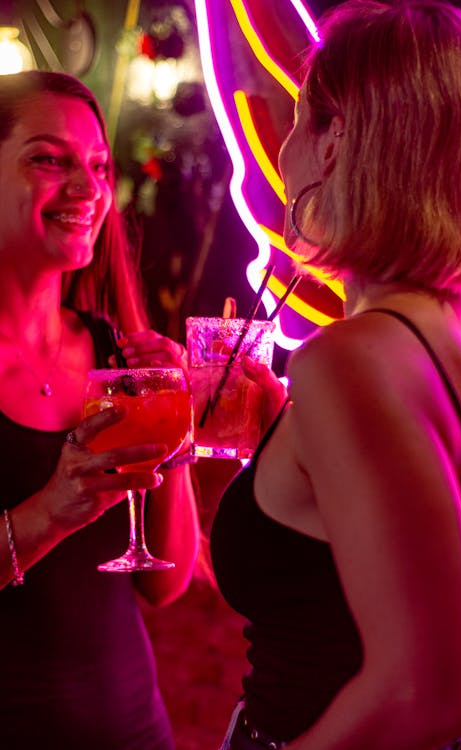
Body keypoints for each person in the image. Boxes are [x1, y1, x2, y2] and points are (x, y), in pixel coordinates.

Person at [211, 1, 461, 748]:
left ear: (336, 140)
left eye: (298, 114)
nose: (280, 140)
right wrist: (289, 441)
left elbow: (424, 690)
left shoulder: (349, 360)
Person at [0, 70, 199, 749]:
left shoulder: (114, 350)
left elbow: (165, 584)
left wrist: (175, 430)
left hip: (135, 729)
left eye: (99, 166)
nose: (87, 190)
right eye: (49, 160)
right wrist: (49, 510)